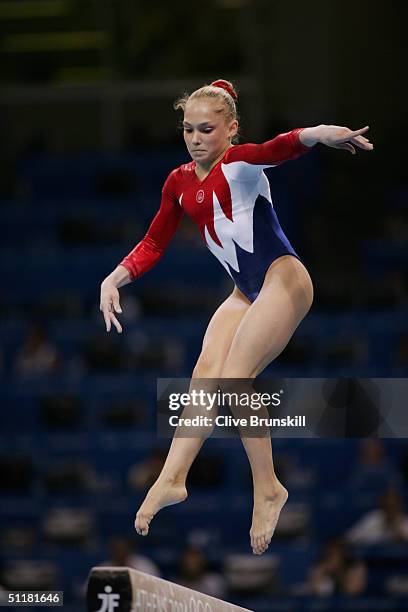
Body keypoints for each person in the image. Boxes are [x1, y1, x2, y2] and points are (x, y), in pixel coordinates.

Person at [100, 79, 373, 555]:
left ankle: (268, 488)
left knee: (234, 378)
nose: (196, 138)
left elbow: (280, 147)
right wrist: (115, 278)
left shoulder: (240, 164)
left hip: (283, 280)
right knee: (205, 372)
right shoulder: (178, 182)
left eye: (207, 129)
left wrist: (320, 133)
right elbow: (154, 241)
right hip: (244, 291)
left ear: (230, 130)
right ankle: (173, 477)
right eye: (188, 130)